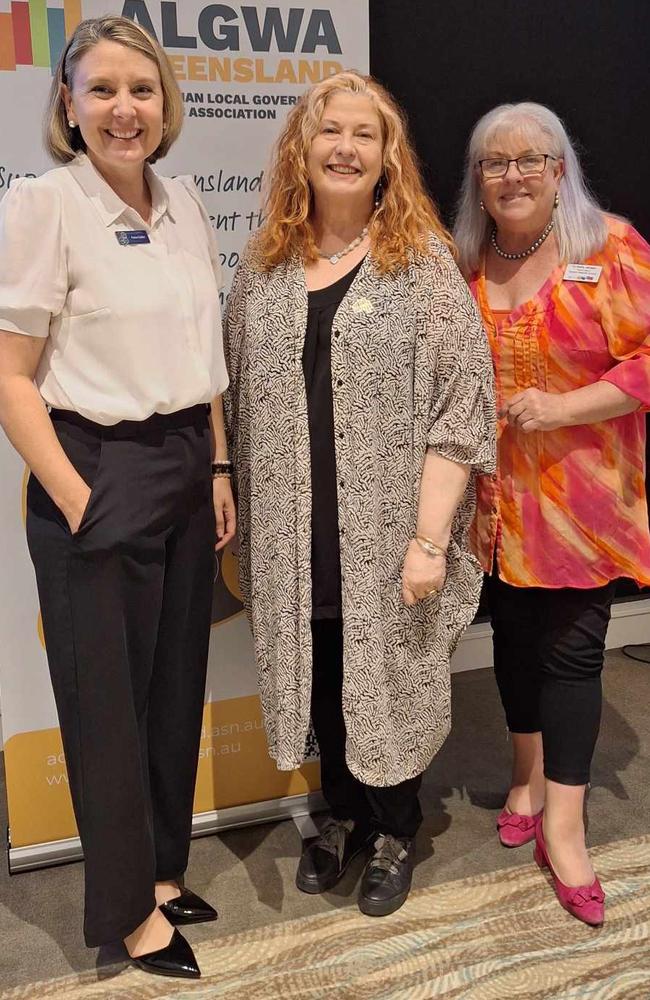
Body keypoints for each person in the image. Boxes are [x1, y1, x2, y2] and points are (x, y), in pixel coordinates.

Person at [224, 71, 495, 917]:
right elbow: (228, 393)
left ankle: (392, 829)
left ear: (388, 157)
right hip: (292, 532)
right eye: (328, 132)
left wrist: (427, 539)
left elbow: (460, 408)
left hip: (389, 532)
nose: (345, 148)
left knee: (391, 676)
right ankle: (339, 815)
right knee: (322, 671)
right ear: (301, 150)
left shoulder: (422, 267)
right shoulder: (264, 268)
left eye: (363, 135)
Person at [0, 16, 235, 978]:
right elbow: (12, 376)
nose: (123, 109)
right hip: (95, 468)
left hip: (185, 460)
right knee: (107, 707)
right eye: (101, 90)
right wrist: (75, 492)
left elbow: (203, 358)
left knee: (174, 688)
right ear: (67, 103)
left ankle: (163, 875)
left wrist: (216, 467)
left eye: (141, 90)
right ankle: (126, 916)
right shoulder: (44, 205)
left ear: (165, 103)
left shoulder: (181, 200)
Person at [454, 101, 650, 926]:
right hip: (491, 502)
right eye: (494, 163)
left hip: (581, 500)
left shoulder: (608, 247)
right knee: (514, 645)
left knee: (571, 656)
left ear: (560, 167)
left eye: (530, 159)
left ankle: (564, 830)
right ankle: (525, 778)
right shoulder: (466, 256)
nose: (512, 176)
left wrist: (564, 409)